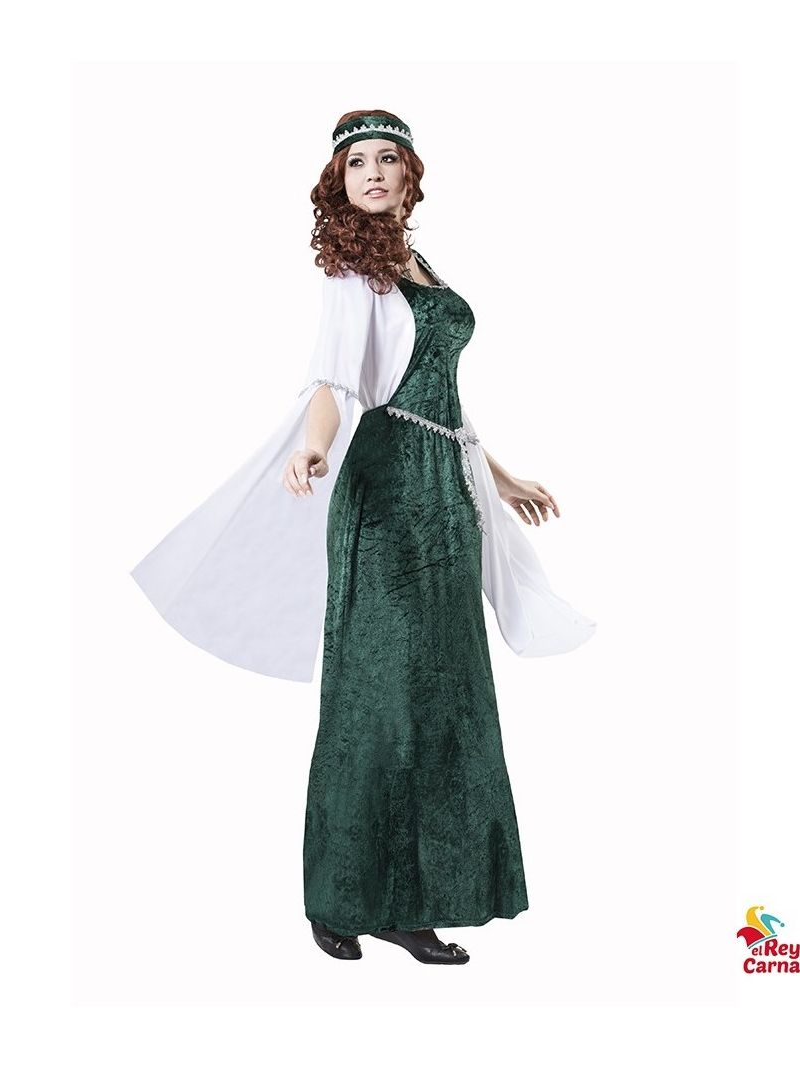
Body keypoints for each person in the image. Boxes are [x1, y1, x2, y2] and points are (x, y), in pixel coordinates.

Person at [130, 109, 596, 966]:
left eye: (387, 158)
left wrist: (499, 475)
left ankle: (415, 902)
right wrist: (312, 447)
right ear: (339, 183)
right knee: (380, 696)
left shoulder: (423, 267)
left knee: (446, 695)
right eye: (357, 163)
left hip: (446, 498)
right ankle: (346, 896)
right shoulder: (351, 272)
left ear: (410, 174)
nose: (373, 172)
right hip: (384, 495)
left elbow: (442, 398)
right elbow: (333, 382)